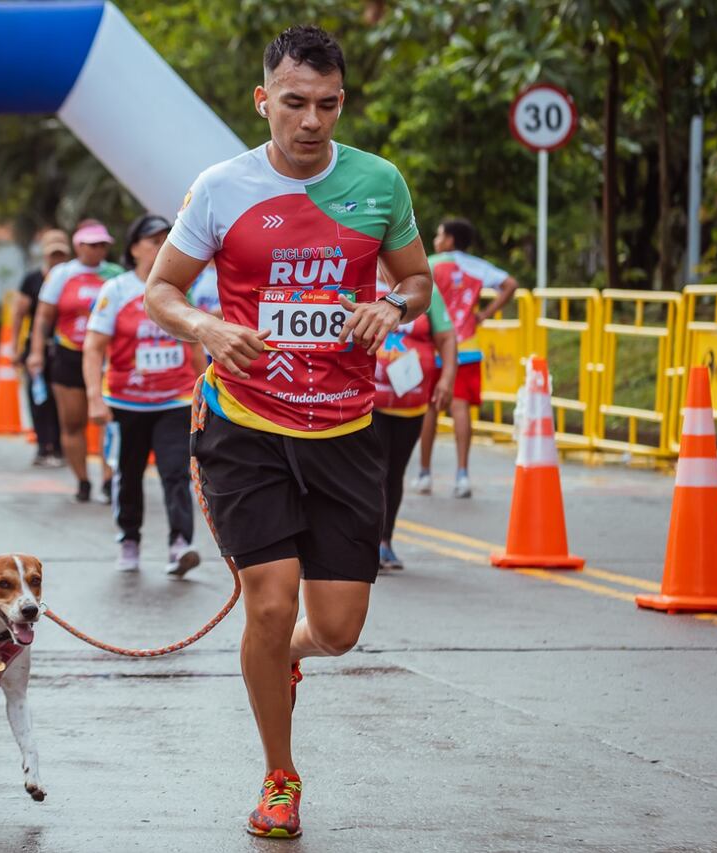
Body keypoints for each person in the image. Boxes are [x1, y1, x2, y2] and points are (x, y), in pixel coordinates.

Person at [143, 25, 432, 838]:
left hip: (346, 427)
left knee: (334, 630)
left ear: (343, 101)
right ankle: (279, 775)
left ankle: (289, 661)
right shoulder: (221, 186)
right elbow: (161, 291)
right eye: (296, 103)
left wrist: (392, 305)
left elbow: (416, 278)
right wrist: (206, 329)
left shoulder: (379, 182)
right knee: (267, 608)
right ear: (263, 100)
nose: (311, 122)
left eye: (329, 104)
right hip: (244, 423)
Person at [83, 214, 206, 575]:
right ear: (134, 247)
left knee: (175, 472)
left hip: (176, 399)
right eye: (153, 240)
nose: (160, 246)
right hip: (126, 402)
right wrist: (95, 396)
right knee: (128, 472)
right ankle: (130, 540)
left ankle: (181, 545)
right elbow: (93, 347)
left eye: (166, 239)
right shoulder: (115, 291)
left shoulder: (183, 288)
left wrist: (205, 391)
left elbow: (196, 341)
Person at [414, 218, 518, 498]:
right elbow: (510, 284)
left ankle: (424, 473)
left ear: (449, 240)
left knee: (430, 409)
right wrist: (483, 314)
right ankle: (462, 475)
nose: (436, 240)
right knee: (460, 409)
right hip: (467, 345)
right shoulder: (477, 267)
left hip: (435, 345)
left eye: (439, 235)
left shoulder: (431, 264)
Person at [26, 221, 124, 503]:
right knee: (72, 422)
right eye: (91, 244)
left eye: (103, 245)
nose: (97, 250)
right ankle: (82, 480)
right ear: (78, 246)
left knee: (108, 421)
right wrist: (35, 352)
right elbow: (43, 316)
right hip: (69, 353)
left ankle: (108, 479)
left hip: (106, 358)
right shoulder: (62, 274)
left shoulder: (115, 275)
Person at [372, 260, 457, 570]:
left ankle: (385, 542)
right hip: (371, 400)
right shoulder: (363, 279)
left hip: (412, 401)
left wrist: (446, 379)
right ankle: (366, 541)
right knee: (375, 470)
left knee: (394, 472)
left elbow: (447, 338)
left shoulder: (423, 289)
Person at [12, 230, 68, 467]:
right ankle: (42, 446)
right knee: (38, 398)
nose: (56, 259)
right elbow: (19, 313)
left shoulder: (71, 279)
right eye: (52, 254)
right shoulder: (32, 279)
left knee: (60, 400)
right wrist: (15, 348)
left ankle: (59, 447)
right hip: (38, 347)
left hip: (64, 348)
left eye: (60, 254)